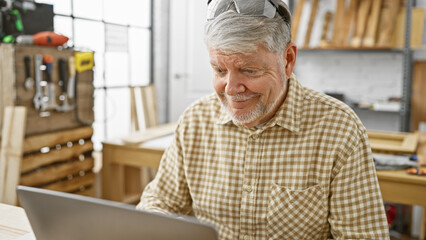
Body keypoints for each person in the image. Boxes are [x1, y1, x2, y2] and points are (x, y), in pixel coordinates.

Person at [137, 0, 390, 239]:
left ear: (288, 60)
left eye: (249, 70)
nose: (231, 89)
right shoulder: (195, 120)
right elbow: (159, 202)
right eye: (219, 70)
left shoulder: (339, 129)